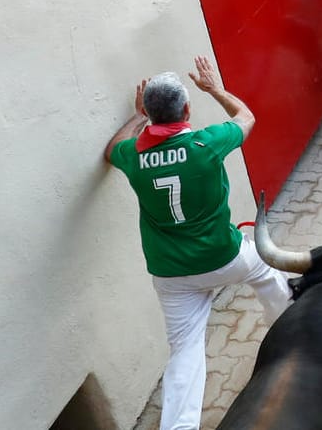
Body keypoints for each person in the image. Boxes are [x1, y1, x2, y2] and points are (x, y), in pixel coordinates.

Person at [103, 58, 291, 430]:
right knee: (266, 271)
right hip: (225, 256)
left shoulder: (134, 157)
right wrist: (215, 88)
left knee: (185, 352)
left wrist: (138, 116)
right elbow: (247, 117)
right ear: (187, 109)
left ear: (151, 115)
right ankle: (292, 333)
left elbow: (112, 148)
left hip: (172, 275)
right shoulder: (207, 143)